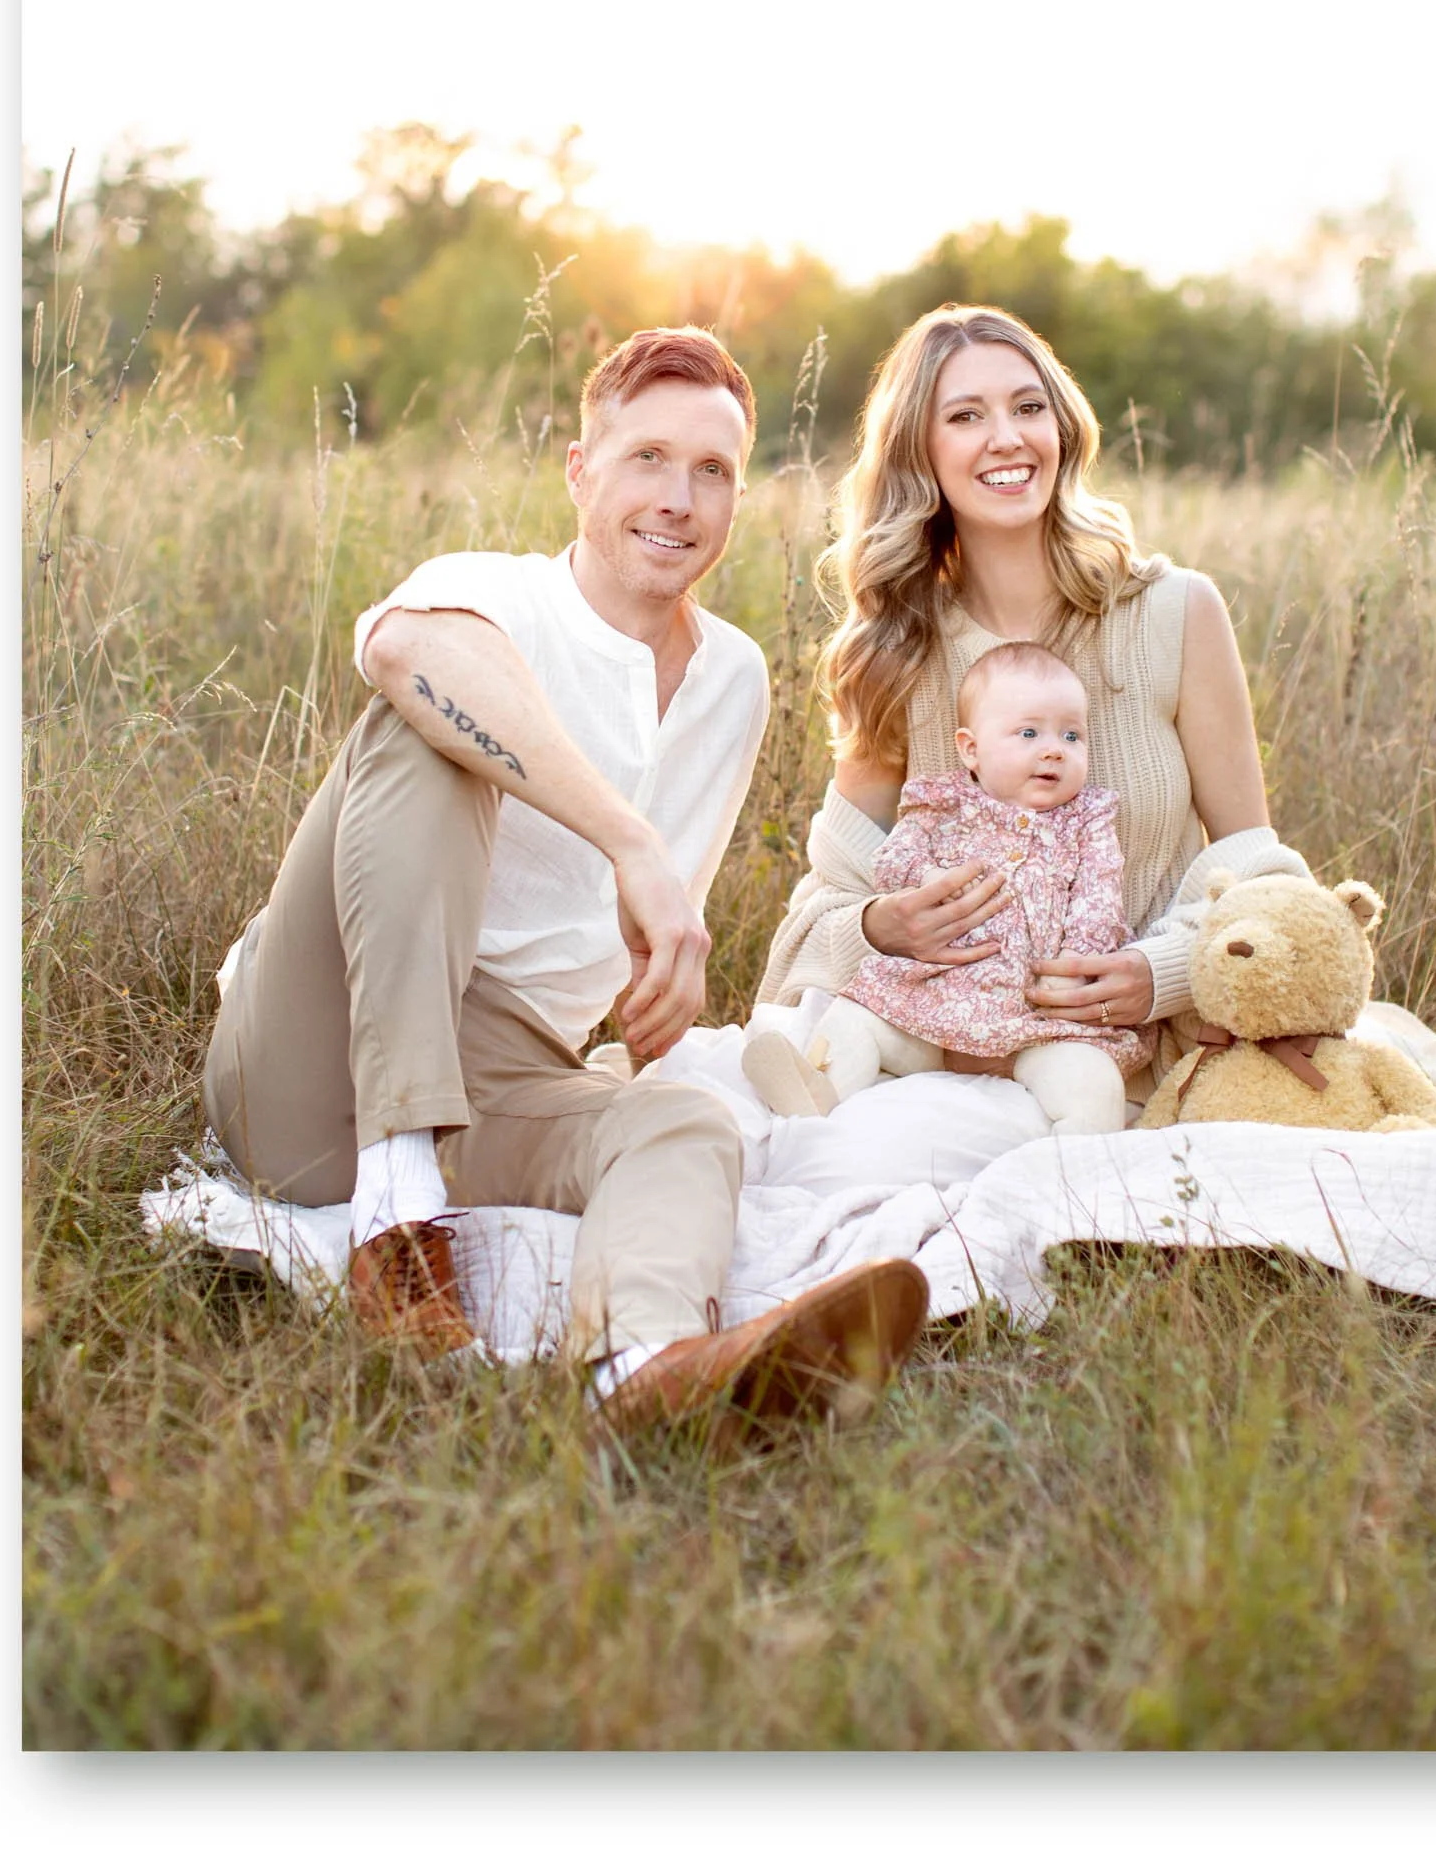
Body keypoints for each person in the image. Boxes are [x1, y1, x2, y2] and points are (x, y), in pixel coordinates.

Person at [201, 325, 930, 1435]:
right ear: (581, 472)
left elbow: (623, 935)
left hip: (503, 1076)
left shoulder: (733, 677)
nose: (678, 499)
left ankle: (641, 1368)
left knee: (688, 1126)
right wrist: (631, 844)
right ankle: (396, 1216)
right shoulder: (495, 599)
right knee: (429, 734)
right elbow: (405, 658)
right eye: (646, 458)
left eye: (712, 471)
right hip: (316, 1049)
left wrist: (651, 992)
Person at [653, 302, 1332, 1196]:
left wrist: (1155, 975)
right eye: (965, 416)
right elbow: (817, 917)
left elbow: (1263, 877)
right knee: (781, 1146)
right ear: (919, 455)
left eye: (1028, 406)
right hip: (947, 1052)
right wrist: (878, 926)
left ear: (1063, 425)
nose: (1006, 438)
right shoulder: (894, 652)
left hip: (1113, 1059)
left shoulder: (1175, 613)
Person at [739, 640, 1154, 1132]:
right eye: (1028, 733)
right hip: (933, 1005)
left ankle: (1064, 1167)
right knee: (858, 1018)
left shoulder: (1086, 819)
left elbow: (1098, 899)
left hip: (1039, 1022)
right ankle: (817, 1090)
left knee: (1093, 1082)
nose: (1053, 749)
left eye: (1072, 736)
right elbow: (894, 857)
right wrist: (925, 879)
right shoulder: (942, 805)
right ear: (971, 749)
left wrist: (1075, 965)